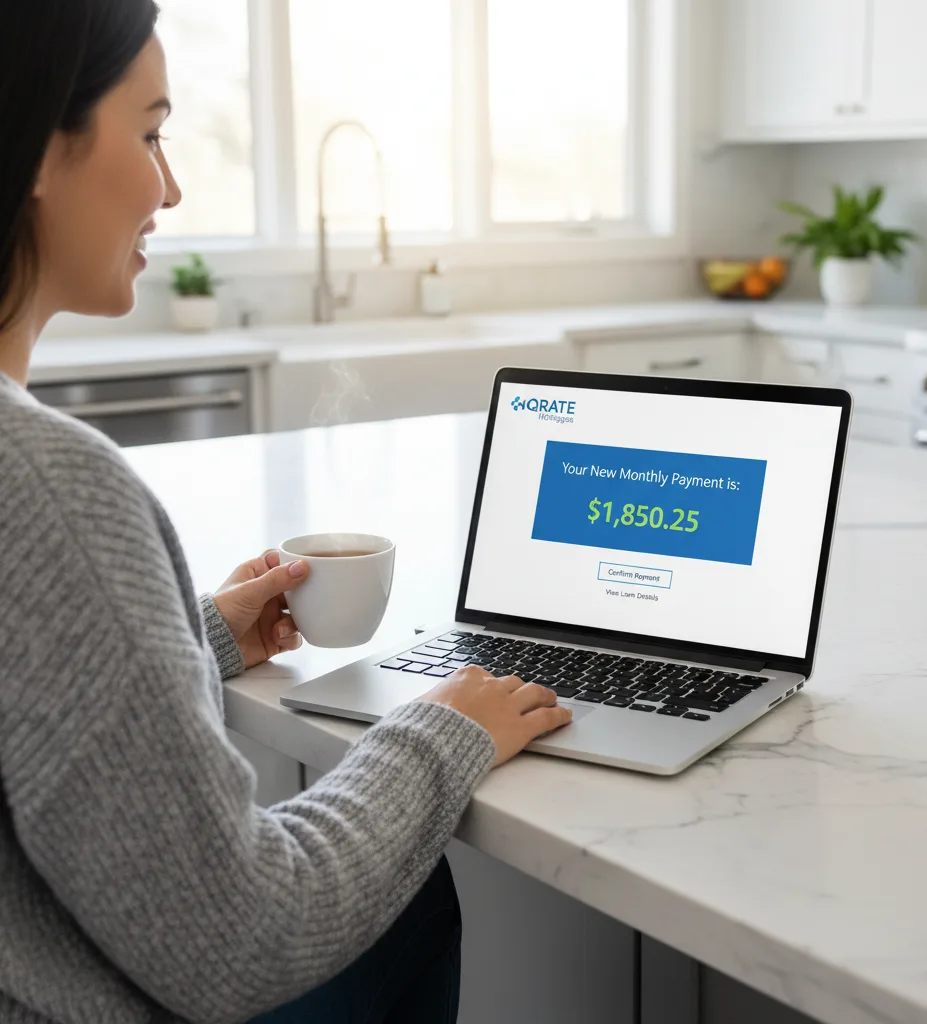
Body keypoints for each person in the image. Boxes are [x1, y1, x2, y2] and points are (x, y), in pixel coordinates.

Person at [0, 3, 573, 1022]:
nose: (169, 185)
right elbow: (243, 938)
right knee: (406, 903)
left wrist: (186, 641)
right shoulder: (45, 482)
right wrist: (434, 731)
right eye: (150, 132)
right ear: (41, 144)